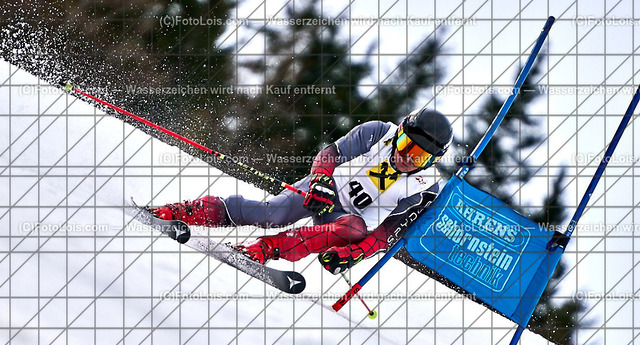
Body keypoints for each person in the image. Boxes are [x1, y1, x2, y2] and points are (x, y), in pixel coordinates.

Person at [153, 107, 453, 274]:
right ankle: (189, 211)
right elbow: (330, 154)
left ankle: (266, 248)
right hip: (323, 191)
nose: (406, 157)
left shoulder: (425, 188)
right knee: (272, 214)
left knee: (354, 228)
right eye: (406, 145)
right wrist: (321, 179)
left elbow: (386, 234)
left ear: (433, 161)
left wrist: (355, 254)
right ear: (399, 133)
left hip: (343, 221)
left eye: (419, 157)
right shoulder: (378, 132)